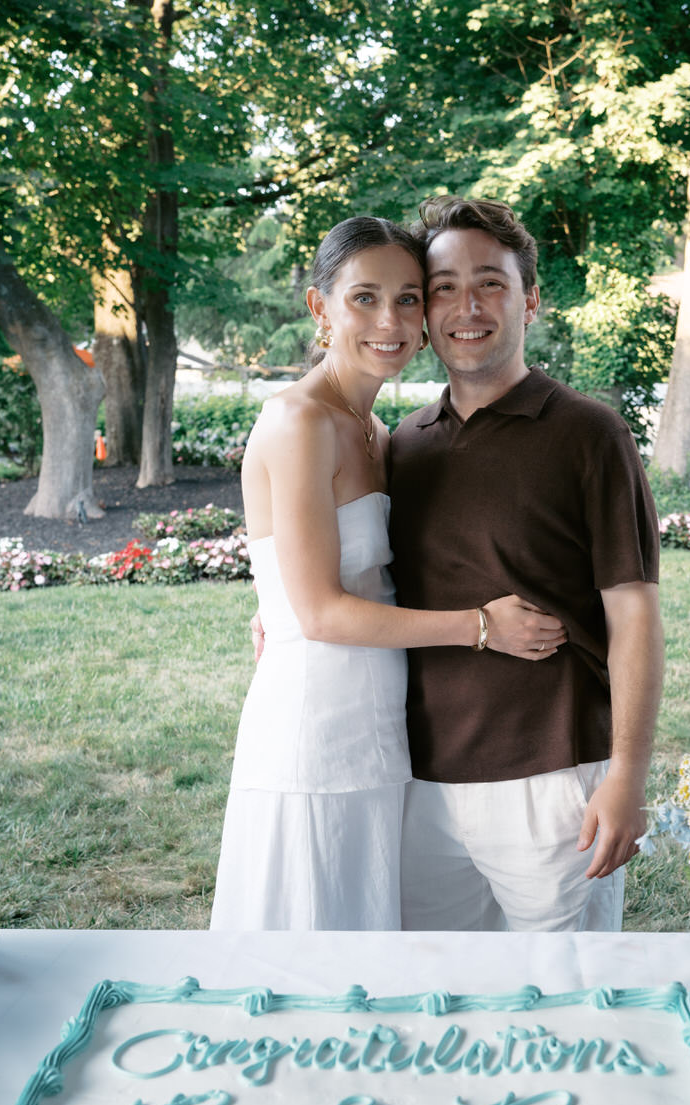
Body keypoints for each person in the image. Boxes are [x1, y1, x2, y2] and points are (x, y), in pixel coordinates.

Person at [210, 215, 564, 931]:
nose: (391, 321)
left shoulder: (376, 432)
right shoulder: (298, 421)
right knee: (312, 943)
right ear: (320, 307)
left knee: (373, 941)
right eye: (364, 298)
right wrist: (479, 627)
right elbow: (318, 614)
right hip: (313, 730)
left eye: (408, 299)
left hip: (382, 728)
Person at [389, 196, 664, 932]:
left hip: (553, 781)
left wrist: (626, 778)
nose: (465, 306)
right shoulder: (400, 444)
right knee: (436, 999)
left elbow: (633, 614)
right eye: (443, 286)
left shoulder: (588, 434)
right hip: (417, 782)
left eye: (490, 283)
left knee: (564, 1004)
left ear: (529, 300)